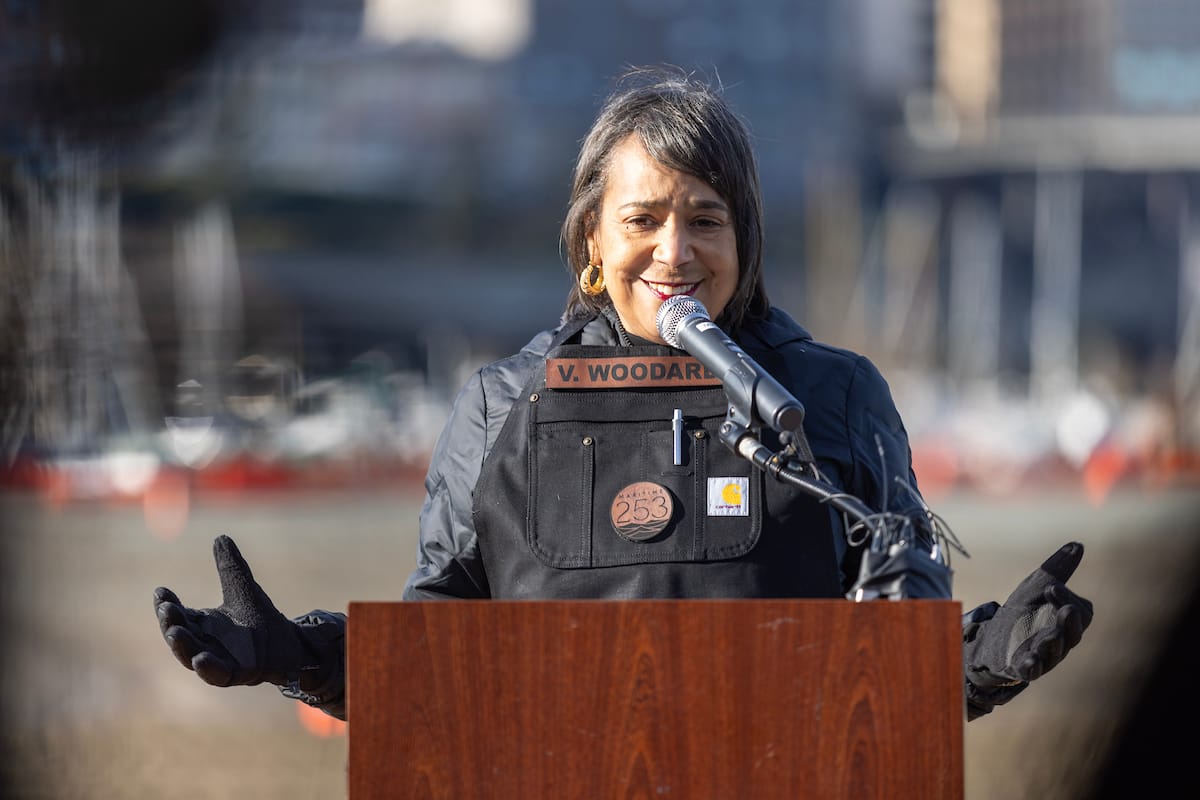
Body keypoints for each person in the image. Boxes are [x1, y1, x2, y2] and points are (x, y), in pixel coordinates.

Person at [153, 65, 1093, 726]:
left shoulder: (832, 395)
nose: (675, 253)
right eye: (642, 219)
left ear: (746, 241)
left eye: (706, 220)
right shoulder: (502, 405)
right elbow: (439, 663)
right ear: (591, 244)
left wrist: (984, 658)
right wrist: (296, 656)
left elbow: (894, 658)